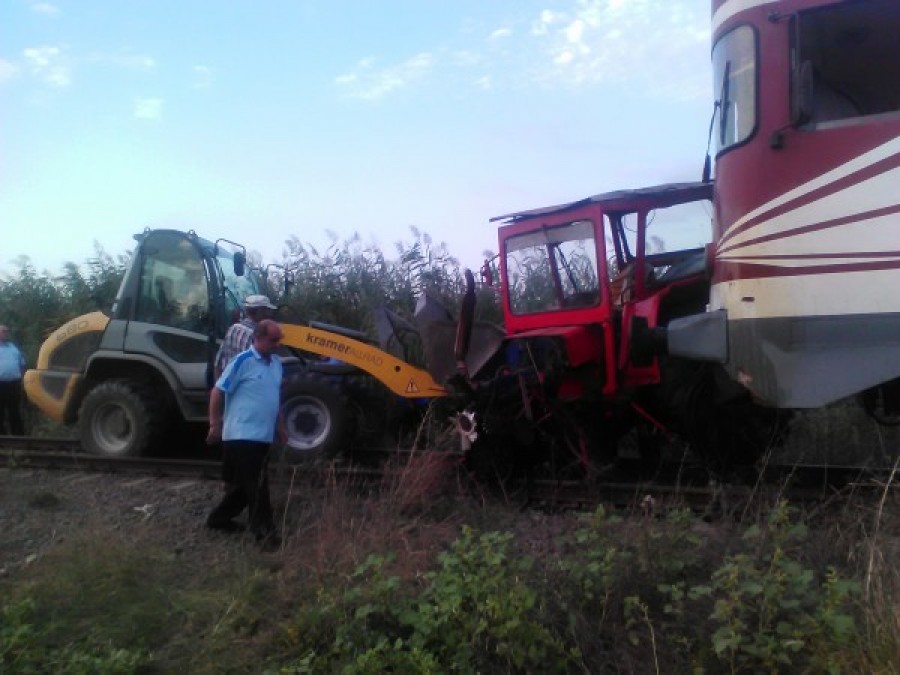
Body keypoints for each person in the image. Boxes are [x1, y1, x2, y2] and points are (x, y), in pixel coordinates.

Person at [206, 319, 287, 550]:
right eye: (274, 340)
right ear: (258, 338)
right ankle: (265, 534)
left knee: (243, 486)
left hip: (262, 435)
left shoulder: (277, 364)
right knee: (258, 486)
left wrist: (280, 427)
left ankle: (218, 520)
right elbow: (217, 391)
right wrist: (214, 424)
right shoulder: (242, 361)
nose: (278, 344)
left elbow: (274, 398)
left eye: (279, 339)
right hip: (241, 435)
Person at [213, 294, 276, 379]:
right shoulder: (257, 336)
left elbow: (219, 361)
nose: (269, 315)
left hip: (228, 385)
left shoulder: (233, 329)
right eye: (266, 311)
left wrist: (218, 386)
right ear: (259, 312)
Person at [0, 325, 26, 436]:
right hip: (0, 385)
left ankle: (18, 437)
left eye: (6, 331)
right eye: (2, 331)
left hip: (14, 385)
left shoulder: (13, 348)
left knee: (14, 412)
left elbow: (22, 364)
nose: (5, 333)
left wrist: (22, 380)